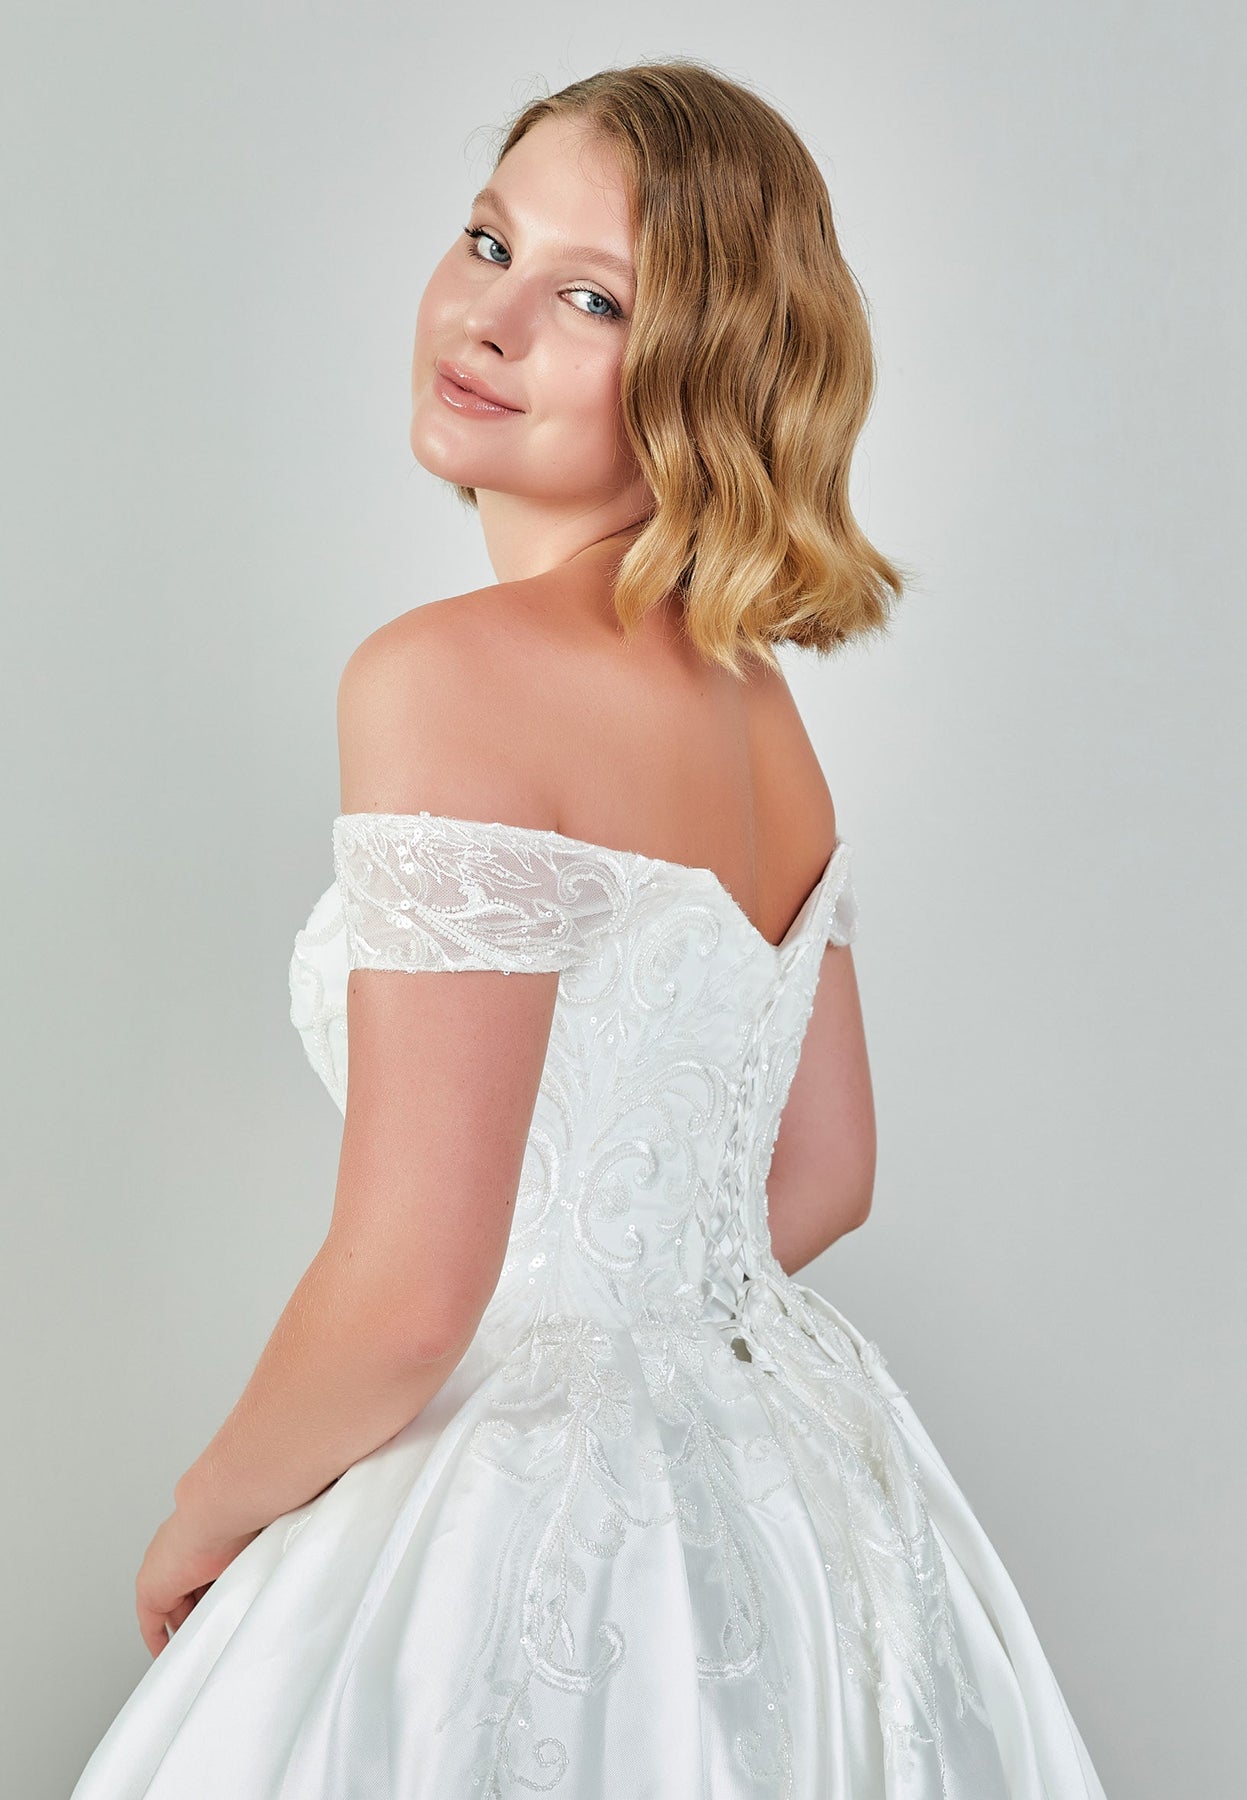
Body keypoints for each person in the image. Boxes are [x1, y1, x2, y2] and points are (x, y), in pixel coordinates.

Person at [71, 58, 1109, 1800]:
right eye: (490, 243)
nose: (486, 319)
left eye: (590, 299)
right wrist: (652, 1326)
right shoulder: (757, 702)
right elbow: (828, 1169)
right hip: (811, 1485)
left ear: (701, 373)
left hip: (529, 1507)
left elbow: (412, 1291)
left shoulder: (447, 678)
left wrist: (208, 1513)